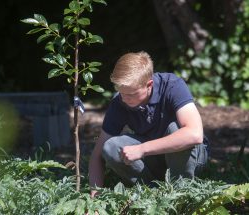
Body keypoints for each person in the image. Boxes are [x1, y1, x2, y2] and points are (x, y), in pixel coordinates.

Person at [88, 51, 209, 197]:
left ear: (149, 85)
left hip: (191, 157)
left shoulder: (173, 86)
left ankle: (180, 193)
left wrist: (142, 149)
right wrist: (94, 200)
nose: (124, 99)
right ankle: (152, 194)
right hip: (156, 157)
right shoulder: (119, 102)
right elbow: (97, 154)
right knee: (110, 146)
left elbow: (194, 135)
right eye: (120, 92)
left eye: (131, 94)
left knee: (175, 128)